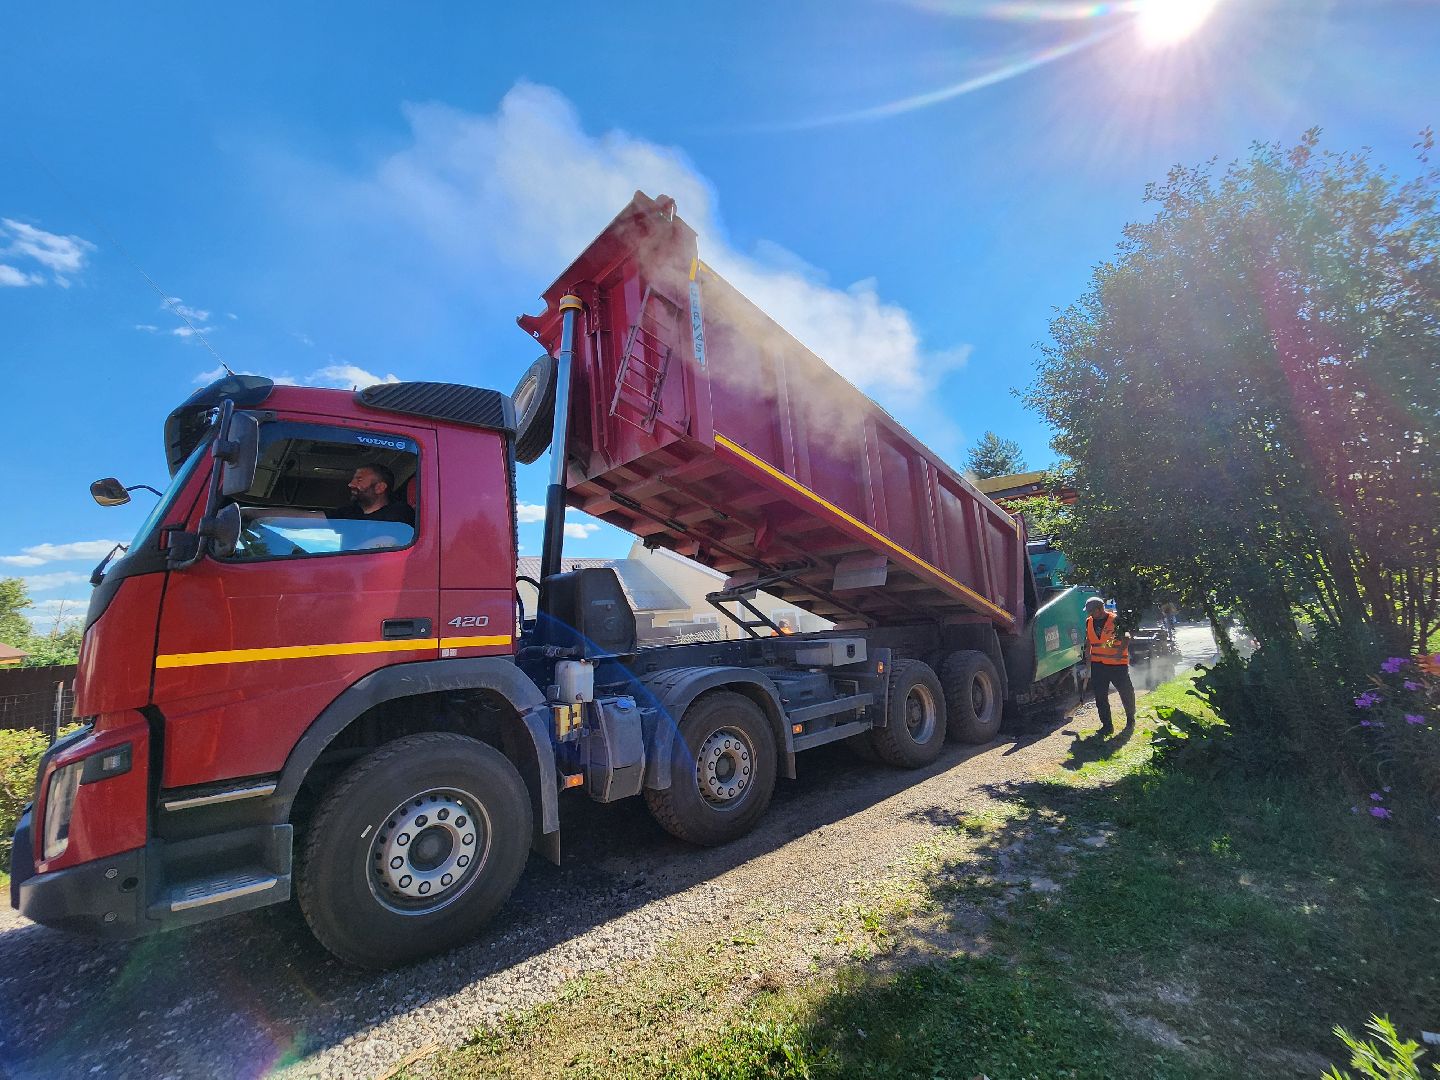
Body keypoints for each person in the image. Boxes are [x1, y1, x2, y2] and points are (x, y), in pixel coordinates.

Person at [1085, 596, 1136, 735]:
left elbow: (1126, 636)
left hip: (1117, 664)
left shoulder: (1116, 620)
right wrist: (1087, 653)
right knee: (1100, 696)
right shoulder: (1089, 622)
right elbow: (1089, 639)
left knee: (1125, 692)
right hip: (1098, 664)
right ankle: (1107, 726)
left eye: (1092, 611)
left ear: (1100, 609)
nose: (1090, 614)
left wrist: (1120, 652)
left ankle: (1130, 720)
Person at [326, 464, 414, 526]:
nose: (351, 484)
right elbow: (316, 519)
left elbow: (387, 542)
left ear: (379, 488)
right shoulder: (349, 512)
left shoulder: (399, 512)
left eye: (359, 480)